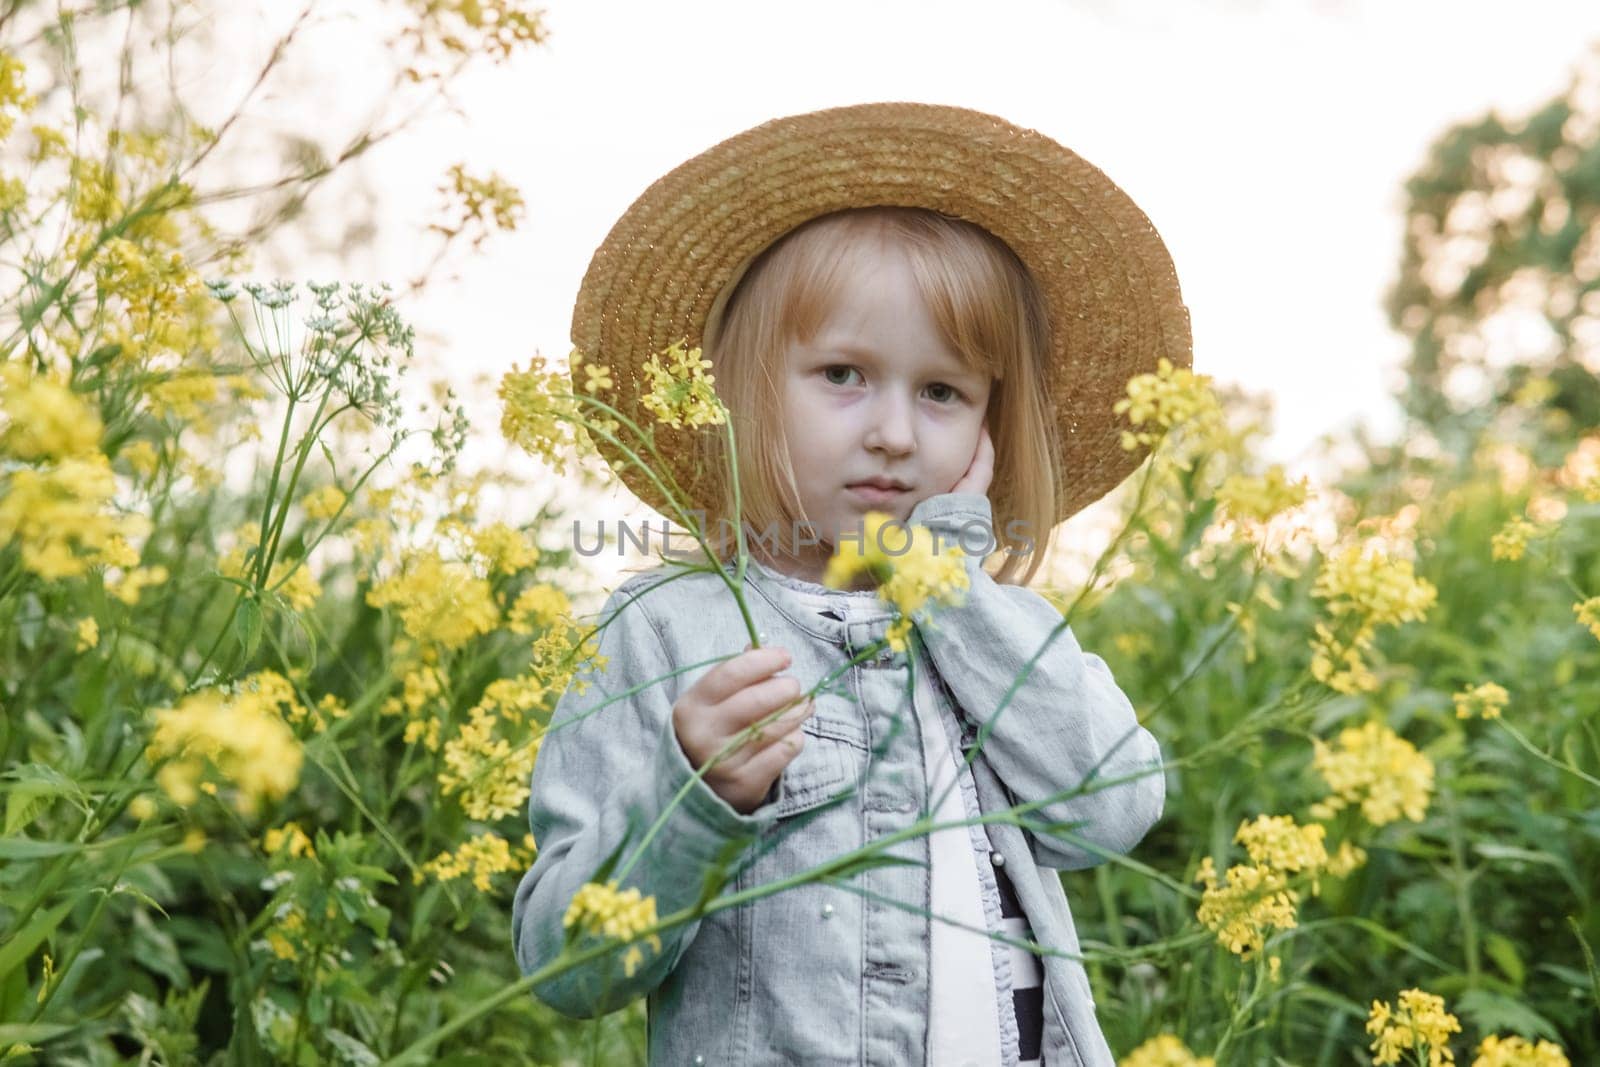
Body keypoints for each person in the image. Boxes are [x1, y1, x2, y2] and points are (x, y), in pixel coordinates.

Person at [511, 101, 1192, 1067]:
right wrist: (694, 799)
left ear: (991, 427)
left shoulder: (1003, 624)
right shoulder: (667, 631)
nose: (895, 433)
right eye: (842, 374)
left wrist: (942, 580)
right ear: (739, 392)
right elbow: (565, 967)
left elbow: (1112, 811)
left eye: (943, 392)